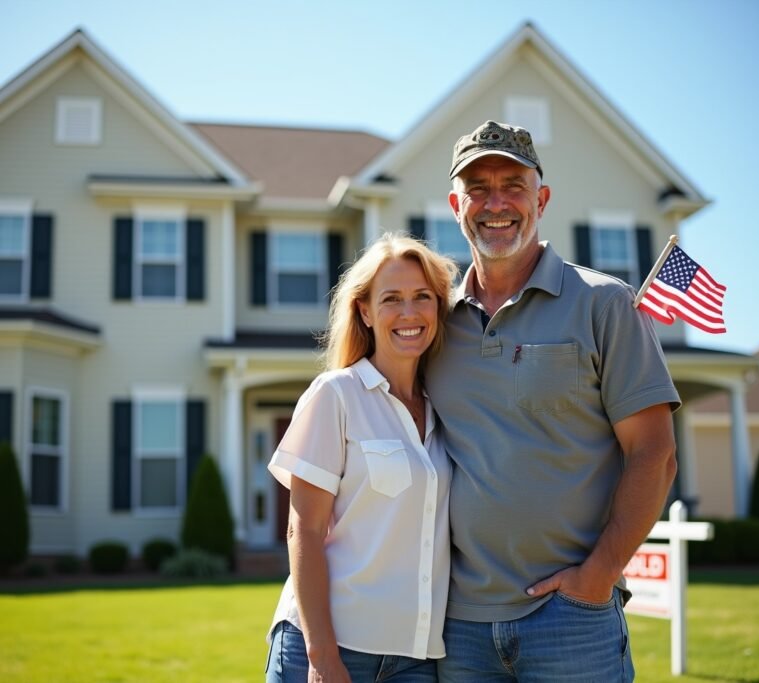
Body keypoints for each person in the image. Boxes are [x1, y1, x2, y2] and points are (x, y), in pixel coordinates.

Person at [424, 121, 681, 682]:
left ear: (541, 199)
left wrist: (599, 574)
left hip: (571, 619)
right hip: (457, 624)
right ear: (455, 205)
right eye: (478, 188)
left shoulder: (604, 304)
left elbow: (654, 454)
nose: (496, 204)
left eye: (513, 186)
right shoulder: (434, 323)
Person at [265, 234, 458, 682]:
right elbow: (304, 531)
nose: (409, 313)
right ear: (365, 311)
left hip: (416, 658)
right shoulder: (336, 395)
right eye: (391, 299)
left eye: (422, 298)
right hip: (331, 649)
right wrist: (322, 656)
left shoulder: (446, 410)